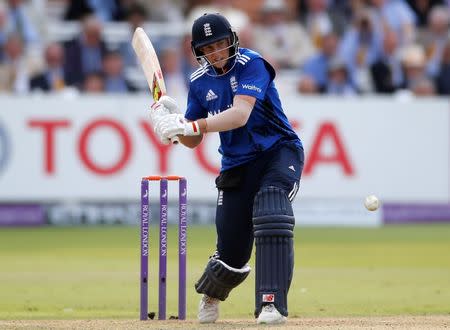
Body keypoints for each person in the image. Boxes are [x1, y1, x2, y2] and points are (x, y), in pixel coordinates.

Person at [151, 13, 304, 325]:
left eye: (221, 43)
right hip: (237, 164)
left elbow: (239, 115)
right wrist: (174, 127)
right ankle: (210, 296)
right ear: (199, 51)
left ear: (232, 40)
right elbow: (193, 141)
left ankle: (271, 304)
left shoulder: (253, 63)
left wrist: (188, 124)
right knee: (232, 252)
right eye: (209, 47)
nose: (217, 52)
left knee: (272, 208)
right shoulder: (198, 82)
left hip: (278, 151)